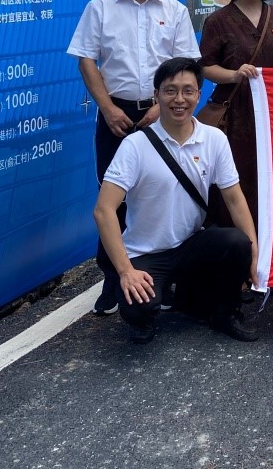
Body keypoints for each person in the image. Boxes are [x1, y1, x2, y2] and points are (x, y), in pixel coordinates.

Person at [68, 0, 198, 316]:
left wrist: (161, 107)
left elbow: (186, 65)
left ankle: (164, 276)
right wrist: (107, 107)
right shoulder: (100, 8)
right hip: (117, 115)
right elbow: (86, 60)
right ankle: (112, 277)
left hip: (164, 113)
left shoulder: (175, 11)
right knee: (115, 198)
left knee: (165, 193)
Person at [93, 57, 259, 345]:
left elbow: (234, 199)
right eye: (170, 91)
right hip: (145, 253)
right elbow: (104, 210)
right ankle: (149, 313)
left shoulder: (214, 139)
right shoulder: (135, 145)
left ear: (199, 94)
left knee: (237, 244)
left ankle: (223, 314)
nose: (179, 99)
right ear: (156, 95)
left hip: (190, 245)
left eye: (188, 91)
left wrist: (254, 253)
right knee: (139, 308)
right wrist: (125, 271)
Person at [199, 0, 273, 225]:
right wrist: (233, 75)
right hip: (234, 116)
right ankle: (236, 239)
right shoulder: (218, 21)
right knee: (234, 176)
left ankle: (269, 236)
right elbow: (205, 67)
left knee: (272, 176)